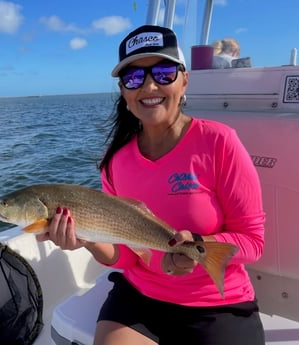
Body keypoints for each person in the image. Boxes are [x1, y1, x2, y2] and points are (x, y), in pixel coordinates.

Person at [37, 25, 265, 345]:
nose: (149, 85)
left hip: (217, 304)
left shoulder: (219, 143)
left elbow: (253, 241)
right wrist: (85, 239)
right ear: (123, 90)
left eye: (163, 72)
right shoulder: (115, 161)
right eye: (134, 78)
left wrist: (198, 245)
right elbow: (129, 257)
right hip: (139, 297)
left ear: (184, 79)